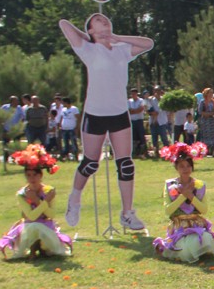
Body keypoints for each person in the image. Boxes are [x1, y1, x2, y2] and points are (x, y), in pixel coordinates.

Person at [58, 13, 154, 231]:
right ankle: (74, 200)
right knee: (91, 162)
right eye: (98, 21)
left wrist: (114, 36)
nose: (105, 22)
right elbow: (64, 24)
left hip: (119, 113)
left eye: (106, 20)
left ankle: (127, 214)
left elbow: (148, 43)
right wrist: (93, 38)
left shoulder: (121, 49)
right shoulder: (87, 49)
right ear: (90, 29)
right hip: (95, 113)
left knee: (126, 164)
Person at [151, 141, 214, 263]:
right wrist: (183, 196)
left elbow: (203, 210)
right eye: (181, 166)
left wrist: (190, 196)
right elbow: (168, 210)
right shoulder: (170, 185)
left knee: (204, 239)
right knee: (184, 248)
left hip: (196, 224)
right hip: (179, 226)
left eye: (188, 166)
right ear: (176, 168)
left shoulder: (199, 185)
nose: (185, 169)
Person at [0, 144, 73, 259]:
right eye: (28, 175)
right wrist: (42, 201)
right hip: (28, 229)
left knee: (40, 228)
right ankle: (29, 249)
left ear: (41, 175)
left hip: (47, 227)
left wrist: (38, 200)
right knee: (34, 226)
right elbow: (31, 217)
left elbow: (51, 215)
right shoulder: (22, 194)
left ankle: (44, 248)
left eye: (35, 175)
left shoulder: (48, 191)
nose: (32, 178)